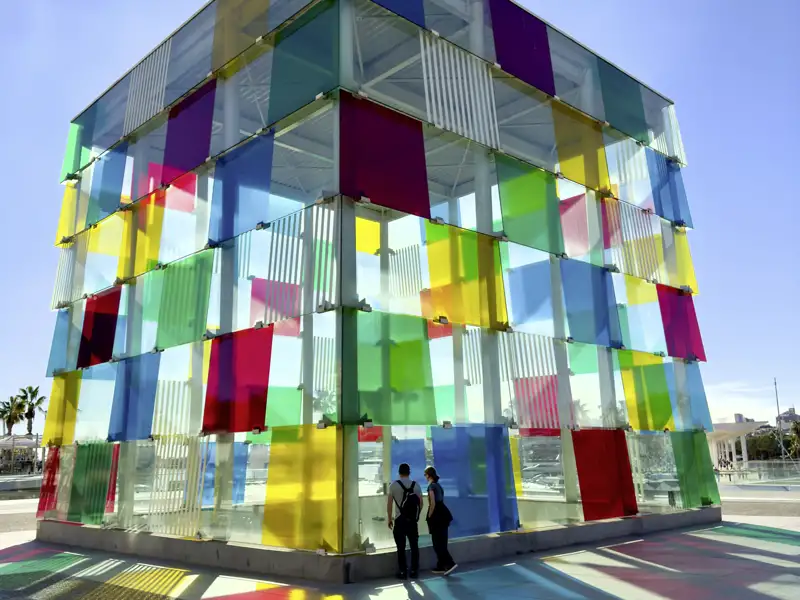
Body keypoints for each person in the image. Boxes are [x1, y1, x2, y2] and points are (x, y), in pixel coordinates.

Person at [387, 463, 423, 579]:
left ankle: (403, 572)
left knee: (400, 547)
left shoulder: (393, 485)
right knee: (414, 546)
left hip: (399, 520)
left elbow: (389, 504)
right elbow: (421, 503)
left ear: (399, 472)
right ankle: (414, 571)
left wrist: (389, 518)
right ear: (409, 472)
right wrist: (416, 515)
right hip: (412, 521)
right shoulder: (416, 485)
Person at [424, 466, 457, 576]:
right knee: (442, 541)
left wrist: (429, 516)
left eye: (425, 475)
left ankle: (449, 563)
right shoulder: (439, 486)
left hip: (437, 516)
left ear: (429, 475)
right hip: (444, 514)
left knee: (437, 543)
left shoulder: (431, 487)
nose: (425, 477)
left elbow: (432, 503)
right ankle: (441, 565)